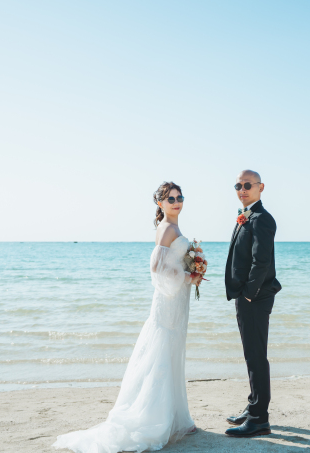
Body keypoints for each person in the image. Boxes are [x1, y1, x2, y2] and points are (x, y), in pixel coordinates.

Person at [53, 181, 203, 453]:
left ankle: (178, 418)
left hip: (177, 301)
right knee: (162, 354)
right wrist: (187, 276)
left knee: (172, 353)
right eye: (171, 198)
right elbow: (157, 269)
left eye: (180, 197)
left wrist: (190, 272)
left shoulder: (173, 227)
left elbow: (171, 264)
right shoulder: (167, 228)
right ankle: (156, 419)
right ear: (160, 203)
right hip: (168, 302)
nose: (177, 202)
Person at [223, 169, 281, 438]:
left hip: (255, 297)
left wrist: (248, 293)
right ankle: (253, 405)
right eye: (238, 185)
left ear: (261, 187)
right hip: (246, 295)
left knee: (256, 355)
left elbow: (262, 261)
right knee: (251, 354)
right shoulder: (247, 215)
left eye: (247, 184)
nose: (242, 189)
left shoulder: (262, 219)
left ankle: (259, 419)